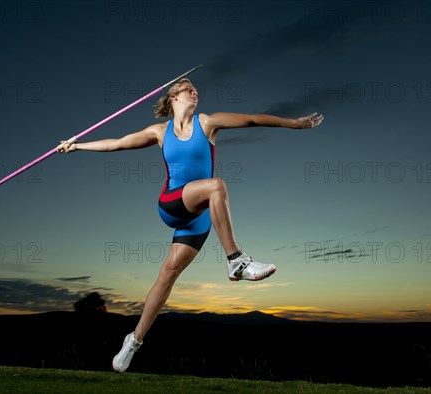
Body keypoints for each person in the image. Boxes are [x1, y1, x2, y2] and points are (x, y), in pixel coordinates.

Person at [58, 78, 324, 372]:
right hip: (171, 204)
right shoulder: (159, 132)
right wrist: (77, 146)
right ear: (173, 96)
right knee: (216, 187)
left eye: (196, 89)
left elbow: (252, 119)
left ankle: (133, 340)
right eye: (188, 89)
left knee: (167, 275)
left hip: (199, 218)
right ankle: (236, 260)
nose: (195, 92)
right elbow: (116, 144)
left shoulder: (207, 123)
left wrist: (292, 124)